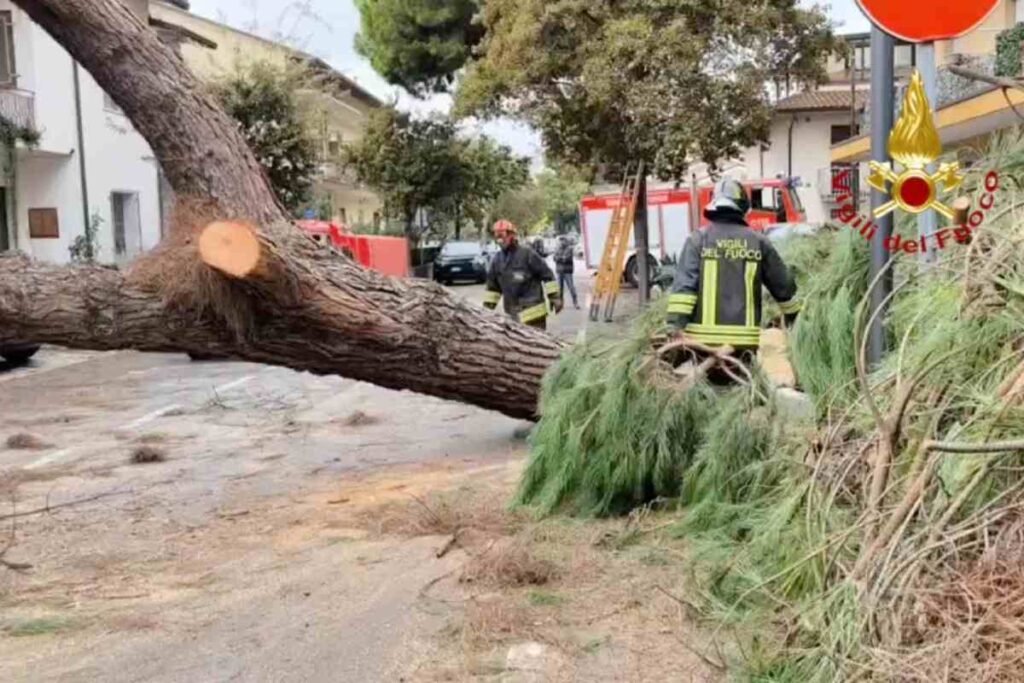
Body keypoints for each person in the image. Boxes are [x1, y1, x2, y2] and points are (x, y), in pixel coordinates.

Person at [666, 178, 801, 368]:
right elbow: (784, 288)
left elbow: (683, 291)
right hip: (743, 344)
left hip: (701, 345)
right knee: (741, 389)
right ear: (743, 208)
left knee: (706, 392)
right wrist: (794, 318)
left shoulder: (698, 240)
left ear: (714, 206)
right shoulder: (758, 242)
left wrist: (674, 327)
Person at [484, 220, 562, 329]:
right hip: (513, 317)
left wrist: (555, 298)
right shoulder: (497, 260)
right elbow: (493, 289)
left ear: (512, 235)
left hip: (534, 316)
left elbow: (547, 275)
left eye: (502, 235)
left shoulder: (527, 254)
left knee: (537, 344)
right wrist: (486, 311)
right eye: (497, 236)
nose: (500, 240)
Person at [553, 235, 580, 309]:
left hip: (567, 271)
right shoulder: (557, 249)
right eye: (560, 240)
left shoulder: (569, 249)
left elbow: (566, 259)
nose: (562, 242)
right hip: (559, 271)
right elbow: (555, 258)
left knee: (571, 287)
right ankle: (561, 303)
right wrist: (561, 258)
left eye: (563, 240)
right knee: (560, 289)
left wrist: (560, 258)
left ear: (566, 241)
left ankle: (575, 302)